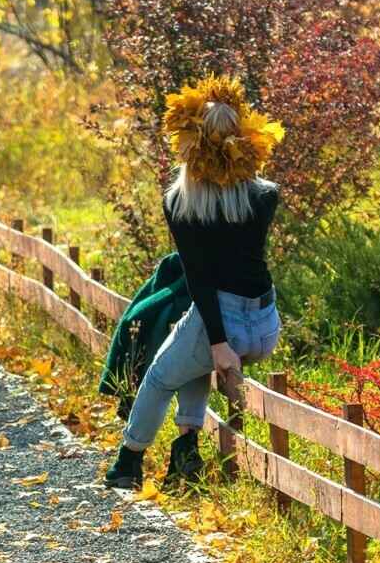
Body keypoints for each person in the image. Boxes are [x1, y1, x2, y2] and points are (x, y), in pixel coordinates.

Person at [105, 78, 285, 490]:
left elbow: (200, 280)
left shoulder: (179, 203)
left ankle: (127, 461)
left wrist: (220, 344)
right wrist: (214, 345)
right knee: (191, 353)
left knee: (158, 377)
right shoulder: (266, 197)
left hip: (224, 327)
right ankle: (185, 451)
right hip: (265, 325)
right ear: (244, 140)